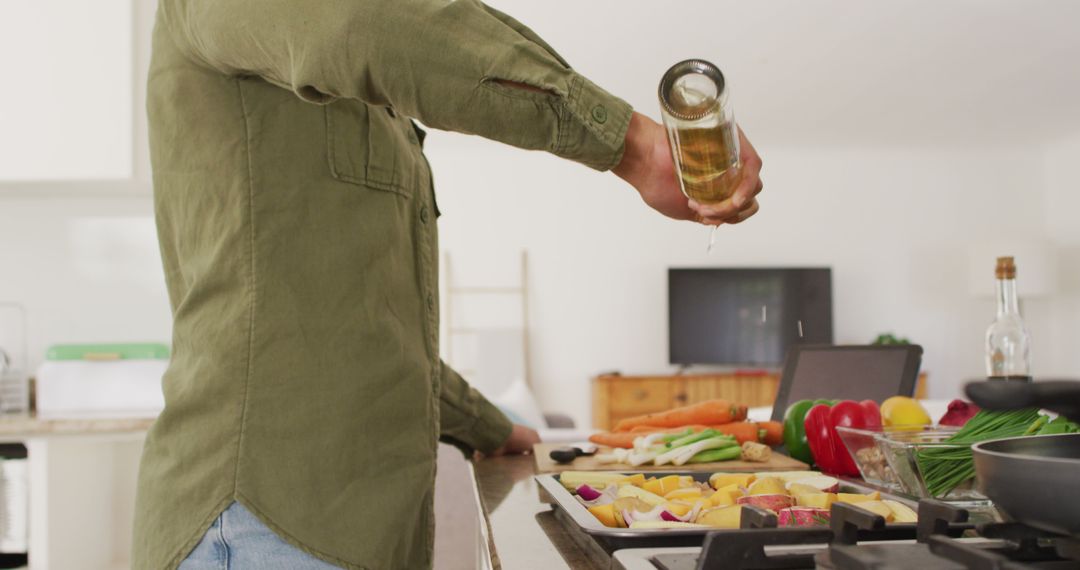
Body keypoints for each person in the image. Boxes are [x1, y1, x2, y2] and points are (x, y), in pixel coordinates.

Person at [135, 0, 764, 568]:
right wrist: (628, 144)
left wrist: (492, 427)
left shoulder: (375, 115)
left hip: (363, 526)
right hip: (263, 519)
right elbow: (363, 24)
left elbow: (373, 333)